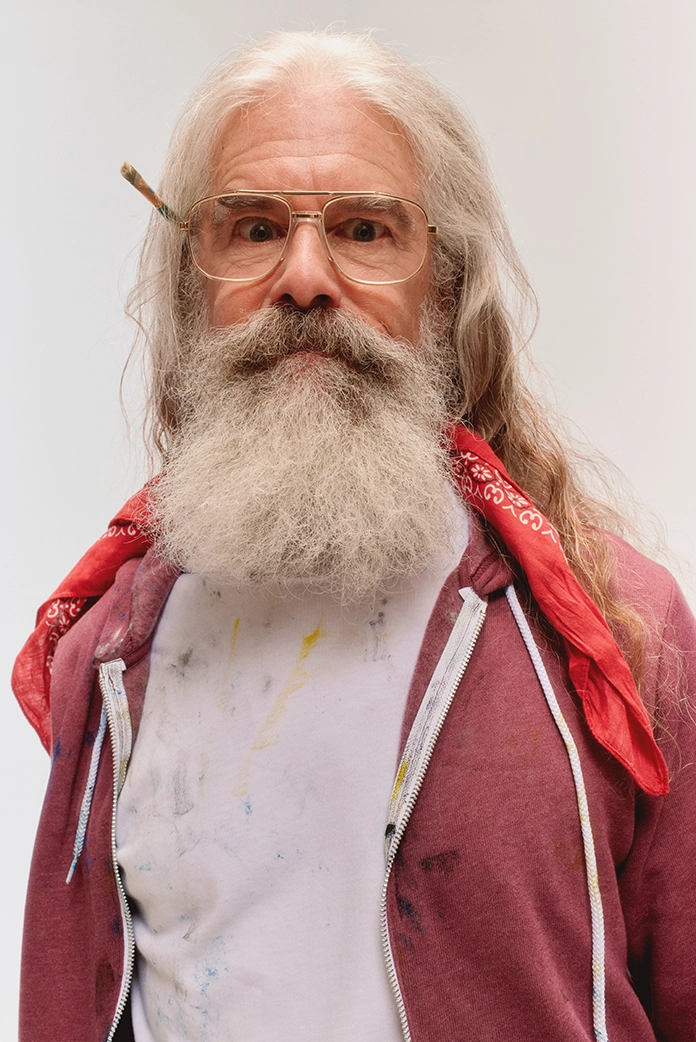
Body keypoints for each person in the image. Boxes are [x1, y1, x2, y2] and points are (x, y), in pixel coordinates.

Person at [12, 30, 696, 1042]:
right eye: (250, 229)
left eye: (365, 229)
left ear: (446, 290)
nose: (302, 278)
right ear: (193, 283)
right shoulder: (109, 656)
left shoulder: (618, 634)